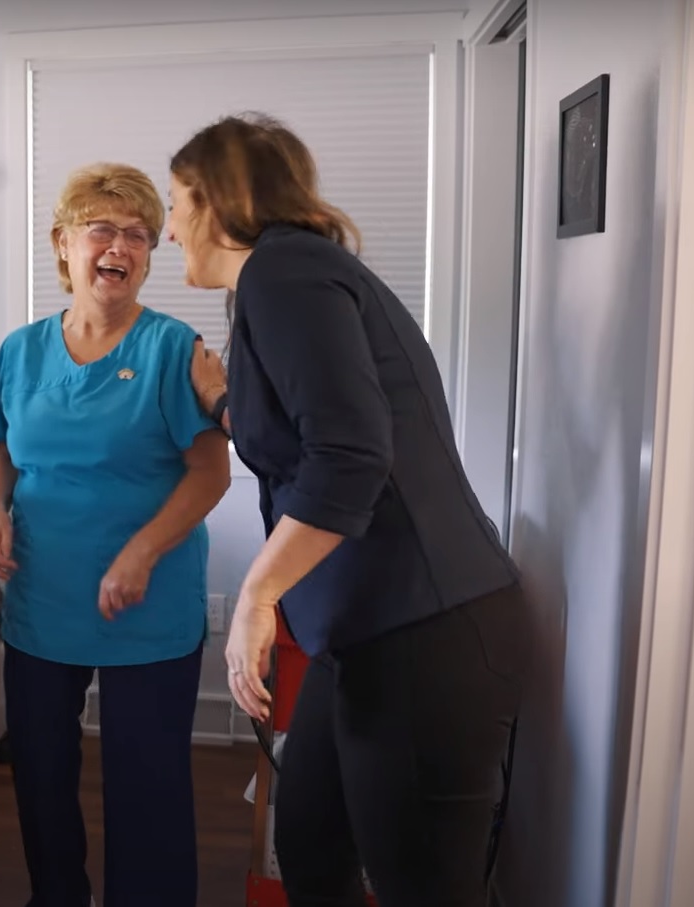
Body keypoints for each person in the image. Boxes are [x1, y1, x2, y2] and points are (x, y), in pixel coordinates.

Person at [170, 112, 532, 907]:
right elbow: (310, 431)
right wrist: (223, 398)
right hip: (365, 632)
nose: (169, 231)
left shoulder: (282, 273)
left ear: (213, 200)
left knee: (424, 887)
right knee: (309, 845)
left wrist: (255, 599)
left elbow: (349, 456)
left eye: (174, 204)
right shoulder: (292, 277)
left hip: (423, 634)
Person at [0, 162, 233, 906]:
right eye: (102, 229)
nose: (120, 246)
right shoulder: (19, 350)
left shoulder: (171, 348)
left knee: (146, 783)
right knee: (42, 776)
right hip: (41, 593)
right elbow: (2, 449)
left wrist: (142, 550)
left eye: (138, 234)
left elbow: (210, 474)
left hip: (145, 602)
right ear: (64, 244)